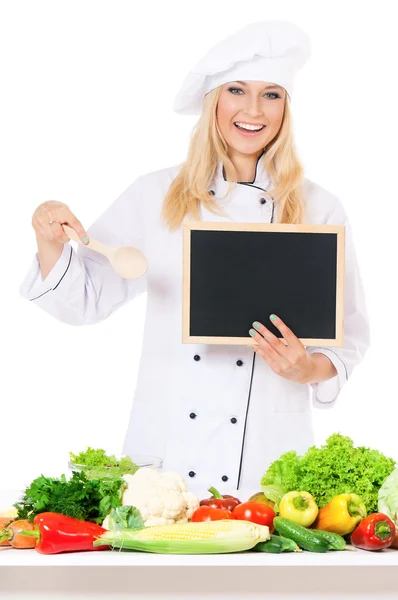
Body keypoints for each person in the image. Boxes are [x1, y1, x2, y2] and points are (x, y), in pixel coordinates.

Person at [20, 20, 370, 490]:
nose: (253, 110)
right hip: (169, 452)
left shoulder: (319, 206)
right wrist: (48, 234)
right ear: (213, 103)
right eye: (237, 91)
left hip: (268, 457)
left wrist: (307, 368)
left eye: (272, 95)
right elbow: (84, 300)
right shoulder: (155, 195)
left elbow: (347, 335)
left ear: (287, 108)